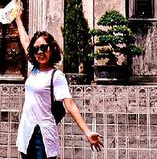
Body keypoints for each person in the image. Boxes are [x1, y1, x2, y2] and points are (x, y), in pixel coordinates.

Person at [15, 9, 103, 159]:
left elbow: (70, 105)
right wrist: (18, 18)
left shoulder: (56, 76)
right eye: (36, 49)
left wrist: (87, 131)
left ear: (51, 48)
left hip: (42, 134)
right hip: (26, 131)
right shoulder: (34, 69)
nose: (40, 52)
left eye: (44, 47)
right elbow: (25, 42)